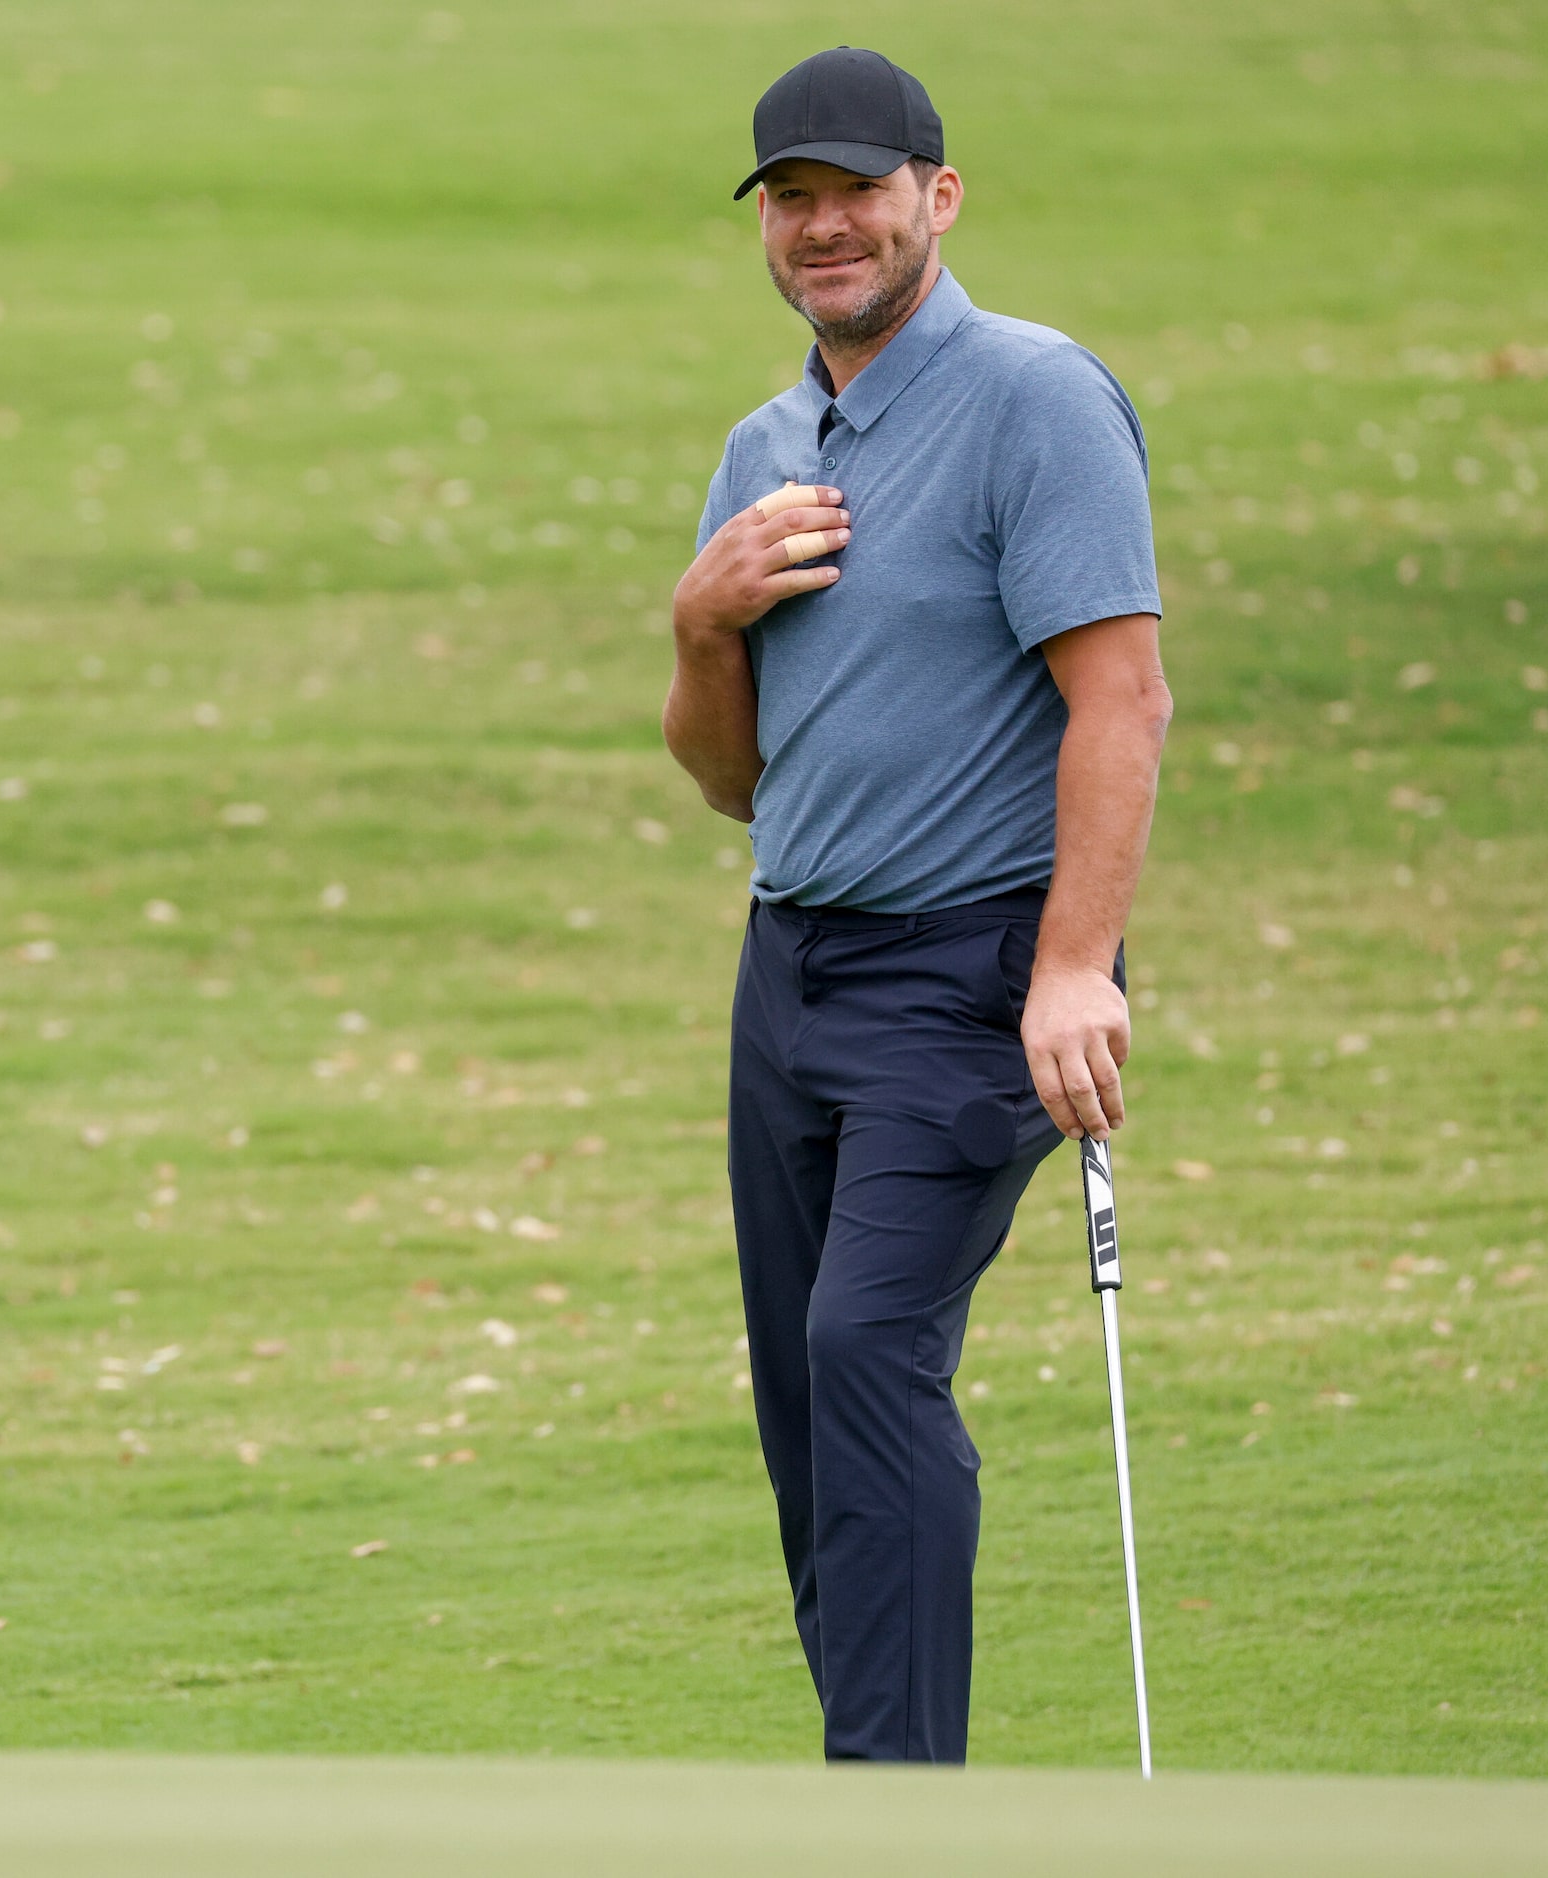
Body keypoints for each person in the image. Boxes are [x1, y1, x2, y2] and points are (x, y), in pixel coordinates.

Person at [662, 46, 1172, 1763]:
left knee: (868, 1349)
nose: (825, 227)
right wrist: (700, 622)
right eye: (792, 200)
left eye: (858, 192)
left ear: (937, 199)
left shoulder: (1038, 399)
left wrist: (1076, 967)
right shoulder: (762, 445)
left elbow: (1123, 698)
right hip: (789, 968)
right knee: (809, 1404)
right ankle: (879, 1769)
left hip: (968, 969)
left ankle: (899, 1810)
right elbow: (732, 780)